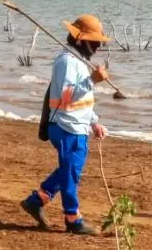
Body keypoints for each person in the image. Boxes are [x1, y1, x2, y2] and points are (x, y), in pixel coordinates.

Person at [20, 15, 111, 236]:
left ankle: (36, 200)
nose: (98, 47)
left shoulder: (78, 60)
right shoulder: (67, 62)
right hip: (65, 127)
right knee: (71, 173)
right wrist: (92, 80)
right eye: (94, 42)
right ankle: (73, 219)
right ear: (80, 40)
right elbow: (66, 97)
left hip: (76, 126)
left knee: (69, 170)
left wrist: (94, 122)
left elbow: (82, 101)